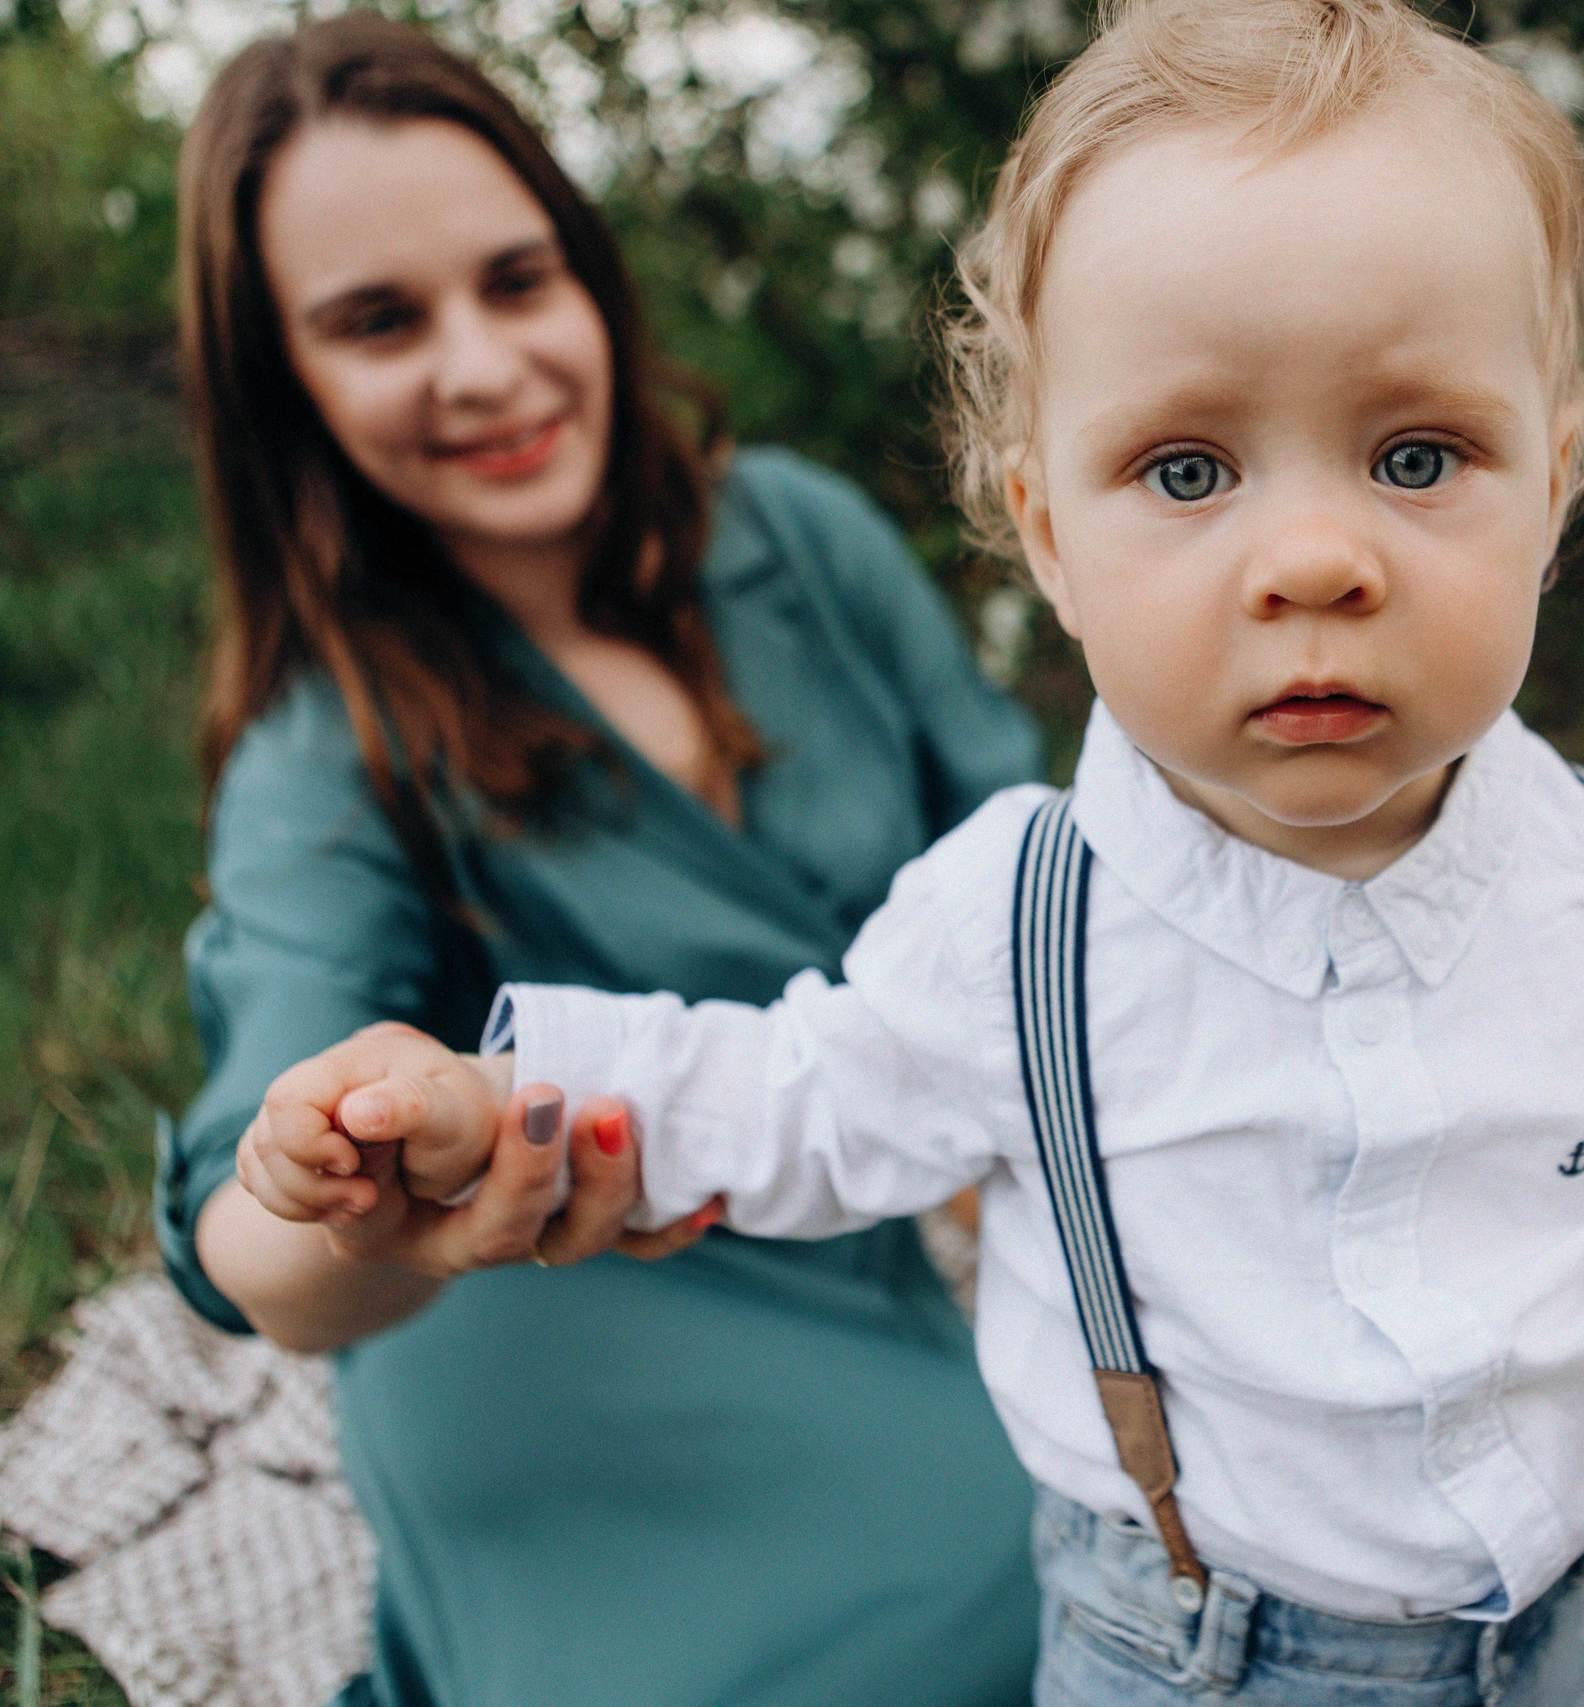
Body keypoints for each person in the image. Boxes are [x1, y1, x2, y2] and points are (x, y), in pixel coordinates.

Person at [236, 3, 1584, 1702]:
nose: (1313, 558)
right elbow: (792, 1093)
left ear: (1556, 486)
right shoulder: (1024, 921)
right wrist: (495, 1105)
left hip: (1539, 1622)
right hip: (1196, 1649)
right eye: (1190, 471)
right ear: (1051, 536)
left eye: (1417, 455)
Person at [158, 15, 1046, 1704]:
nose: (484, 366)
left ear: (588, 276)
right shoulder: (320, 748)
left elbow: (1043, 888)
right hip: (546, 1319)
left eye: (517, 281)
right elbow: (252, 1254)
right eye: (379, 323)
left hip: (857, 1256)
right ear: (288, 387)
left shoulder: (801, 538)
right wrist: (352, 1199)